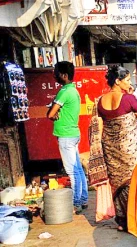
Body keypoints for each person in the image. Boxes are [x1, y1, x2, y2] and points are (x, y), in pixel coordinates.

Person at [97, 65, 137, 230]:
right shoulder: (129, 99)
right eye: (126, 80)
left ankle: (121, 220)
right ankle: (133, 219)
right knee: (133, 182)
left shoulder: (101, 100)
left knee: (117, 183)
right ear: (117, 81)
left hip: (110, 149)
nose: (129, 83)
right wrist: (132, 96)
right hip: (129, 148)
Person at [48, 61, 88, 212]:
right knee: (78, 169)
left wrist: (54, 112)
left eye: (56, 73)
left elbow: (51, 114)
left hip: (65, 136)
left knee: (72, 171)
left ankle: (76, 203)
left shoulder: (64, 92)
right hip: (73, 134)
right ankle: (83, 200)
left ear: (64, 75)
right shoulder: (73, 90)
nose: (54, 76)